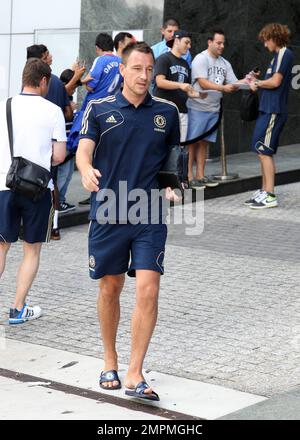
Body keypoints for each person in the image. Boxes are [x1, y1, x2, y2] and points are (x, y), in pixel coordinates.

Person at [76, 42, 180, 401]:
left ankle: (136, 372)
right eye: (136, 68)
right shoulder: (99, 108)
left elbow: (172, 158)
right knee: (110, 287)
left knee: (149, 288)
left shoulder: (167, 111)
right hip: (108, 209)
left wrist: (172, 187)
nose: (144, 76)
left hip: (149, 211)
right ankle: (110, 358)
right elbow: (84, 149)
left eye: (149, 69)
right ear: (122, 69)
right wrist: (87, 170)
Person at [0, 58, 66, 324]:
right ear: (43, 81)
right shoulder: (52, 111)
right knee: (31, 250)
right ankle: (17, 309)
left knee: (1, 247)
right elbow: (60, 155)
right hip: (37, 189)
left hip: (3, 184)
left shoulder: (5, 106)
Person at [70, 33, 123, 207]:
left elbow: (91, 84)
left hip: (94, 109)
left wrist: (81, 80)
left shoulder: (100, 61)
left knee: (88, 151)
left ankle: (95, 189)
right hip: (112, 108)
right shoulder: (119, 61)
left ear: (98, 48)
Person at [245, 23, 294, 209]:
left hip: (274, 110)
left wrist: (257, 83)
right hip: (267, 109)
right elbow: (270, 81)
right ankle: (265, 190)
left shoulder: (284, 54)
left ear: (274, 38)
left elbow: (275, 82)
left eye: (266, 41)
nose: (265, 45)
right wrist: (257, 80)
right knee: (260, 149)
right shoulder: (276, 57)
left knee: (265, 151)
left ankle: (270, 194)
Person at [186, 29, 239, 189]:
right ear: (210, 42)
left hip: (214, 109)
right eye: (218, 43)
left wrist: (248, 80)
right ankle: (188, 176)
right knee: (192, 142)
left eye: (223, 43)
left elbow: (233, 82)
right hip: (197, 108)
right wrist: (223, 88)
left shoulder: (224, 63)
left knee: (204, 143)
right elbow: (202, 83)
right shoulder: (201, 59)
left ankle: (200, 175)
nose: (222, 46)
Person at [153, 30, 206, 143]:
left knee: (179, 148)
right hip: (163, 109)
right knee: (161, 145)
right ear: (176, 41)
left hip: (182, 112)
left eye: (190, 43)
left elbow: (188, 91)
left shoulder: (185, 64)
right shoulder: (164, 59)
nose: (189, 46)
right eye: (186, 43)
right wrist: (180, 85)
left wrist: (201, 95)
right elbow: (160, 82)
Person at [56, 67, 85, 214]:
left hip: (69, 142)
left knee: (67, 175)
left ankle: (61, 200)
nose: (73, 91)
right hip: (62, 143)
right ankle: (58, 202)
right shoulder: (59, 95)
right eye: (73, 87)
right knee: (62, 175)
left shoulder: (68, 99)